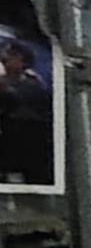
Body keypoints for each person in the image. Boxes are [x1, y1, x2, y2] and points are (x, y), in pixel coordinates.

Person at [0, 40, 55, 187]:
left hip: (24, 151)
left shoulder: (34, 86)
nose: (5, 57)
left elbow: (19, 103)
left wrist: (6, 91)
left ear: (23, 61)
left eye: (12, 54)